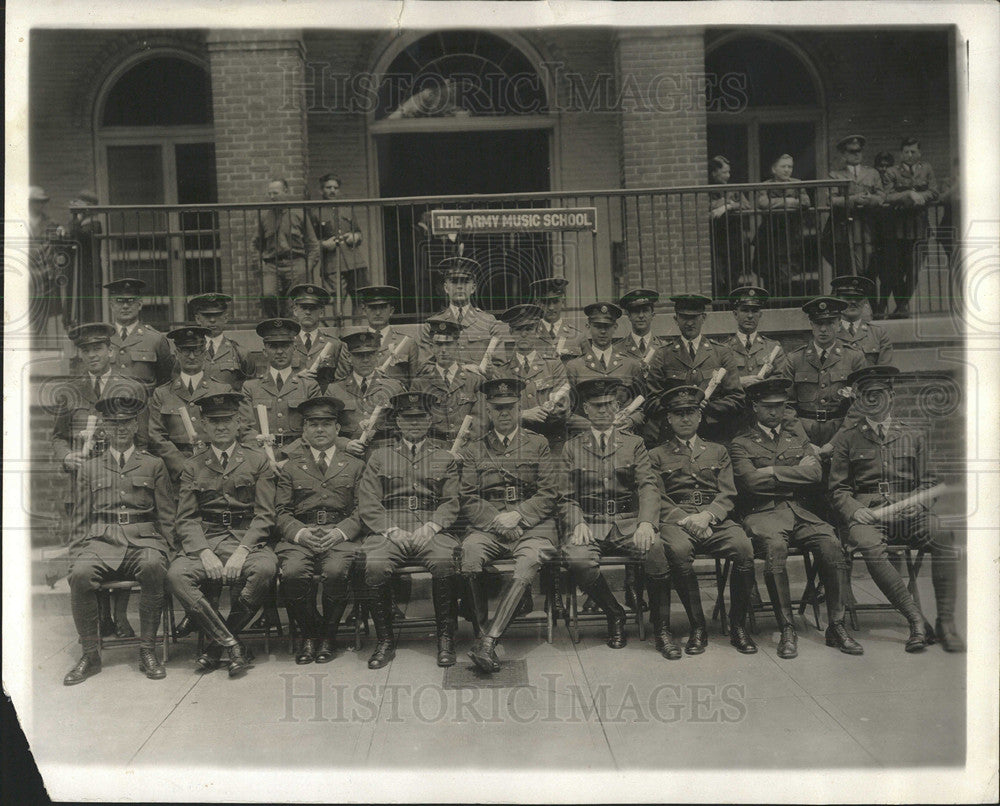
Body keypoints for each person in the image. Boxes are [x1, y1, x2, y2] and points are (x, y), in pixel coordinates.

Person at [829, 365, 964, 653]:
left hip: (909, 514)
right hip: (869, 515)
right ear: (858, 400)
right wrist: (854, 510)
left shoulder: (913, 435)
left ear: (891, 397)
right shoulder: (847, 438)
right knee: (869, 545)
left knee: (943, 536)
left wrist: (918, 504)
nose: (873, 401)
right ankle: (915, 619)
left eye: (879, 394)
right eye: (866, 396)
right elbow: (838, 489)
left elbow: (929, 483)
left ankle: (946, 623)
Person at [729, 378, 863, 658]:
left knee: (830, 543)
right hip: (762, 513)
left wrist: (771, 471)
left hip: (798, 511)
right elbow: (750, 483)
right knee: (775, 548)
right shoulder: (741, 443)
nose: (774, 412)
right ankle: (787, 628)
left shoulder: (797, 438)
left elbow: (815, 475)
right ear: (755, 407)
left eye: (780, 406)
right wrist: (791, 473)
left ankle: (836, 626)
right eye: (767, 407)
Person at [62, 394, 175, 685]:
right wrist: (75, 555)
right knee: (80, 574)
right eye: (113, 424)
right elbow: (80, 519)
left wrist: (171, 551)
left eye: (125, 423)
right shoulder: (89, 468)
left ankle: (148, 650)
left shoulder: (154, 465)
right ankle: (90, 653)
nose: (120, 429)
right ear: (103, 427)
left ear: (136, 425)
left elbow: (166, 515)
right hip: (102, 543)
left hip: (144, 541)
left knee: (153, 566)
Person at [560, 378, 677, 657]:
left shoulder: (634, 443)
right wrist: (577, 522)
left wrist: (646, 522)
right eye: (597, 406)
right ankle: (614, 614)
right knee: (577, 558)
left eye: (610, 405)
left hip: (627, 521)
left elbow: (648, 485)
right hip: (590, 521)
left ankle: (661, 629)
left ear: (617, 406)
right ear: (586, 409)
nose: (604, 411)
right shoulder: (572, 447)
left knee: (656, 549)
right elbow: (565, 497)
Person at [166, 392, 278, 677]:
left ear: (239, 422)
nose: (221, 426)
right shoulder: (193, 465)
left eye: (227, 419)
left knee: (265, 569)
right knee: (177, 575)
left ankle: (216, 648)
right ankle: (232, 644)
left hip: (246, 538)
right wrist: (203, 552)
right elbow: (186, 518)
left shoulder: (258, 461)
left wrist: (242, 551)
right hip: (208, 538)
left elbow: (265, 514)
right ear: (203, 424)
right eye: (214, 421)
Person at [53, 323, 150, 639]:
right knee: (86, 549)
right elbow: (57, 437)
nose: (92, 354)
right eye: (86, 350)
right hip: (81, 486)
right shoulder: (70, 390)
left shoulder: (130, 387)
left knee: (121, 542)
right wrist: (67, 456)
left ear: (111, 351)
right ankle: (100, 620)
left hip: (119, 483)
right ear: (79, 354)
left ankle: (120, 616)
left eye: (98, 348)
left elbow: (144, 439)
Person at [356, 391, 463, 669]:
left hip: (430, 527)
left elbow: (451, 501)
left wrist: (432, 526)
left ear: (429, 420)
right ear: (398, 422)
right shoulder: (380, 457)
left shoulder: (444, 457)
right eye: (407, 418)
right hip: (391, 528)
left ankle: (445, 639)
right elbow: (368, 502)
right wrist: (391, 531)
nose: (414, 423)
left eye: (420, 418)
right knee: (376, 564)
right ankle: (385, 641)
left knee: (444, 561)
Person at [462, 377, 561, 672]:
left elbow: (549, 492)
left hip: (532, 525)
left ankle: (488, 642)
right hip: (490, 525)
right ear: (489, 412)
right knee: (469, 552)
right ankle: (482, 634)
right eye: (497, 408)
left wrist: (518, 515)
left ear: (520, 408)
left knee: (529, 560)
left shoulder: (538, 443)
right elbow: (467, 497)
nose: (504, 413)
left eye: (510, 407)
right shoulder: (474, 448)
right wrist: (497, 520)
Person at [649, 385, 757, 655]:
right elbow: (657, 498)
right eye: (678, 413)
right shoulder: (656, 455)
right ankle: (698, 627)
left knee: (744, 549)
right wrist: (688, 520)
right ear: (669, 419)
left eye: (691, 413)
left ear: (700, 417)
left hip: (714, 519)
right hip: (678, 522)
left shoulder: (718, 451)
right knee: (679, 551)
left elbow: (728, 492)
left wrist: (708, 516)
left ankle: (737, 625)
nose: (685, 418)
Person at [274, 396, 366, 665]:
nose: (320, 429)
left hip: (340, 535)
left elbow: (364, 509)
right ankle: (311, 634)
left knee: (337, 571)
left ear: (338, 429)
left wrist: (340, 532)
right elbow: (280, 512)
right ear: (304, 430)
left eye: (326, 424)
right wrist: (301, 533)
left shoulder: (355, 465)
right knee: (291, 573)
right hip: (301, 537)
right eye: (313, 424)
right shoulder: (290, 467)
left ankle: (327, 636)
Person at [148, 325, 251, 486]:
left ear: (204, 353)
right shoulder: (162, 394)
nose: (191, 356)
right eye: (185, 351)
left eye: (197, 350)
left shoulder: (221, 389)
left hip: (216, 469)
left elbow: (238, 429)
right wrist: (183, 467)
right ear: (177, 353)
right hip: (177, 475)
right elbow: (156, 436)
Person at [644, 294, 744, 445]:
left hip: (714, 434)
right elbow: (651, 401)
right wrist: (677, 406)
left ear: (703, 318)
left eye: (695, 317)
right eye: (684, 317)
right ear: (675, 319)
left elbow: (737, 398)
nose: (689, 323)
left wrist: (710, 407)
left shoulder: (721, 353)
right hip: (673, 437)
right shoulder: (663, 354)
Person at [782, 296, 867, 451]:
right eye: (819, 323)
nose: (823, 329)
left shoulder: (854, 357)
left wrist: (834, 443)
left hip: (842, 433)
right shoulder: (794, 359)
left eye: (830, 323)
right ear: (811, 325)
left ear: (839, 325)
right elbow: (786, 407)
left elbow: (861, 406)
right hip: (804, 435)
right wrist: (805, 443)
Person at [242, 318, 321, 462]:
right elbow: (244, 429)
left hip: (300, 458)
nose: (279, 351)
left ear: (294, 349)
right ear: (265, 351)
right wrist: (264, 456)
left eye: (285, 346)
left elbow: (314, 427)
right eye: (273, 346)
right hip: (261, 459)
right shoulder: (250, 387)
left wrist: (288, 457)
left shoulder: (309, 386)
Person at [493, 304, 571, 448]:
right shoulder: (502, 372)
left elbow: (563, 404)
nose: (524, 334)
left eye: (528, 329)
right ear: (511, 332)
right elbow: (495, 411)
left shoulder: (553, 365)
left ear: (537, 331)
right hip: (516, 444)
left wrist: (539, 413)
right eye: (518, 329)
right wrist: (522, 414)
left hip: (552, 441)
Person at [565, 302, 646, 438]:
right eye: (597, 326)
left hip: (622, 435)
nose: (603, 331)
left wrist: (631, 420)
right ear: (588, 327)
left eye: (607, 327)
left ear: (615, 327)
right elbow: (566, 409)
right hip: (587, 438)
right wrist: (589, 425)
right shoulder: (575, 366)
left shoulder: (630, 365)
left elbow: (643, 404)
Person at [882, 137, 939, 318]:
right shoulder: (892, 172)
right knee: (898, 269)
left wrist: (921, 196)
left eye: (913, 151)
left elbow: (934, 191)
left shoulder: (926, 169)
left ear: (919, 153)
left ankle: (903, 305)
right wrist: (909, 194)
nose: (909, 155)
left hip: (920, 226)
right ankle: (902, 306)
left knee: (914, 268)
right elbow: (887, 196)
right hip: (898, 228)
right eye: (906, 151)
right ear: (901, 153)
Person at [325, 330, 405, 454]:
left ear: (377, 356)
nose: (365, 360)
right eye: (359, 355)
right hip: (349, 457)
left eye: (370, 354)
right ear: (349, 358)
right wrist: (345, 444)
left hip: (387, 455)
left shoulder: (394, 387)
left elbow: (406, 425)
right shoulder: (335, 390)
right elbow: (325, 428)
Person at [252, 178, 320, 318]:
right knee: (268, 295)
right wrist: (260, 265)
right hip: (272, 264)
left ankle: (292, 331)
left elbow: (313, 244)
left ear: (286, 191)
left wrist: (308, 267)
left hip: (296, 262)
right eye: (270, 194)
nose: (272, 197)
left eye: (275, 193)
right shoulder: (265, 216)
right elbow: (255, 244)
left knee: (294, 301)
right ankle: (276, 326)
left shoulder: (299, 214)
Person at [419, 256, 504, 367]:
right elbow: (424, 368)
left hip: (480, 383)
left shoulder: (489, 323)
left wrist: (482, 373)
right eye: (454, 282)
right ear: (446, 288)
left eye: (465, 282)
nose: (459, 286)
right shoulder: (432, 325)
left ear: (473, 288)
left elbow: (500, 367)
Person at [820, 135, 885, 278]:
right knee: (846, 270)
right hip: (844, 230)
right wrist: (854, 199)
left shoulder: (872, 173)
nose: (856, 154)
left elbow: (881, 197)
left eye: (859, 150)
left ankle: (865, 299)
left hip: (867, 228)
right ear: (843, 154)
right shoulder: (835, 175)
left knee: (865, 268)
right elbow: (831, 200)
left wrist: (869, 200)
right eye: (851, 151)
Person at [411, 318, 483, 443]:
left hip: (468, 446)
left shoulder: (474, 380)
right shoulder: (420, 383)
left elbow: (481, 418)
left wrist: (469, 437)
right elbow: (416, 421)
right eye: (438, 344)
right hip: (433, 449)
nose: (443, 350)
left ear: (457, 345)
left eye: (448, 344)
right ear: (432, 347)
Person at [753, 154, 813, 302]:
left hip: (790, 237)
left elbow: (805, 202)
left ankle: (785, 307)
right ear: (774, 169)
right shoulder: (765, 185)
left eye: (790, 167)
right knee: (769, 276)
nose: (787, 170)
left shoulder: (797, 183)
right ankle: (772, 308)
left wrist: (780, 203)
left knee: (787, 277)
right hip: (769, 237)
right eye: (783, 166)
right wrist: (789, 201)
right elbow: (763, 204)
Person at [104, 278, 175, 391]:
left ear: (140, 304)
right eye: (119, 301)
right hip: (109, 406)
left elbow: (166, 383)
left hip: (144, 406)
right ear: (111, 305)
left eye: (131, 300)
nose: (125, 306)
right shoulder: (103, 337)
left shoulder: (155, 339)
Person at [309, 174, 366, 316]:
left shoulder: (347, 208)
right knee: (337, 300)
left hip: (355, 261)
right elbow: (310, 241)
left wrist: (355, 236)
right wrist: (323, 244)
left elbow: (358, 232)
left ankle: (356, 330)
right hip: (332, 264)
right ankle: (340, 333)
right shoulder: (315, 211)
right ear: (321, 190)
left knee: (359, 298)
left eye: (335, 187)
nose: (332, 190)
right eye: (329, 188)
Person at [723, 286, 790, 387]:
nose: (750, 316)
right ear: (735, 314)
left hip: (764, 401)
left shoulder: (773, 347)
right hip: (735, 402)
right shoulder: (723, 349)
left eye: (754, 311)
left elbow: (782, 378)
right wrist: (739, 382)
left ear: (760, 314)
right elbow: (717, 382)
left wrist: (760, 385)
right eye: (745, 310)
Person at [353, 285, 420, 384]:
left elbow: (415, 383)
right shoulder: (353, 344)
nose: (378, 313)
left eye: (383, 307)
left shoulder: (407, 343)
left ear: (391, 311)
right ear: (364, 311)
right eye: (372, 308)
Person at [190, 293, 257, 392]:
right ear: (198, 319)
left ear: (226, 318)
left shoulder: (240, 353)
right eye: (207, 316)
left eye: (217, 315)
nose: (212, 320)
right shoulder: (188, 353)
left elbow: (252, 390)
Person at [707, 156, 753, 296]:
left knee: (733, 274)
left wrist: (728, 206)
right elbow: (707, 207)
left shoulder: (733, 189)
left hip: (733, 237)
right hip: (715, 238)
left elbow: (746, 205)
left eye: (728, 172)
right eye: (724, 172)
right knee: (718, 277)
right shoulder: (706, 190)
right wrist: (724, 203)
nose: (728, 175)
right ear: (714, 173)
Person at [286, 284, 351, 381]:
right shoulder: (286, 343)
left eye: (312, 308)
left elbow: (342, 381)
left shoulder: (335, 344)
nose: (308, 312)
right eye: (304, 308)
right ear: (295, 311)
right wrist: (296, 377)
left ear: (321, 312)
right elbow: (276, 378)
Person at [831, 275, 893, 366]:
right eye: (847, 298)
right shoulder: (828, 332)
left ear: (865, 301)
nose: (853, 302)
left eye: (858, 298)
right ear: (837, 300)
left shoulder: (878, 334)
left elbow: (883, 373)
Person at [63, 189, 104, 326]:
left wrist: (75, 217)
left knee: (88, 301)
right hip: (79, 268)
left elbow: (79, 236)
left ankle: (88, 327)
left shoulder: (94, 224)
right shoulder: (82, 223)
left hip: (89, 269)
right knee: (77, 299)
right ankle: (75, 324)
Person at [867, 151, 899, 317]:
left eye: (887, 166)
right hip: (872, 233)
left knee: (888, 274)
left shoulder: (894, 183)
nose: (883, 169)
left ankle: (882, 306)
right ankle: (874, 308)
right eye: (880, 166)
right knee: (871, 272)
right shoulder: (874, 184)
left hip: (889, 233)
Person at [28, 186, 62, 337]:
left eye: (42, 202)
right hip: (26, 272)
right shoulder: (18, 220)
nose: (40, 205)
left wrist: (62, 231)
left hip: (44, 273)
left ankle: (40, 344)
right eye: (36, 202)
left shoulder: (50, 223)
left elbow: (58, 243)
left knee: (44, 311)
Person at [529, 276, 584, 361]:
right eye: (545, 302)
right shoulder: (529, 336)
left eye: (555, 302)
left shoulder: (577, 336)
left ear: (563, 302)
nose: (551, 307)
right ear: (538, 303)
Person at [614, 288, 669, 368]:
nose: (641, 316)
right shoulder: (617, 349)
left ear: (652, 315)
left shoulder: (664, 348)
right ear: (629, 316)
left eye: (645, 311)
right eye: (636, 311)